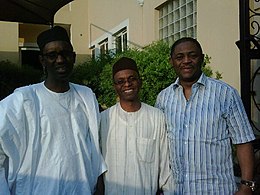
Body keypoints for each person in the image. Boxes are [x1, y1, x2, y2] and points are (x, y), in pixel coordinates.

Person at [0, 26, 106, 195]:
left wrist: (99, 186)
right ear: (42, 60)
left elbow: (94, 146)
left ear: (73, 57)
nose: (60, 60)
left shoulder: (85, 96)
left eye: (65, 53)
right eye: (52, 55)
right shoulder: (24, 99)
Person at [155, 37, 256, 194]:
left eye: (192, 55)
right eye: (180, 57)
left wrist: (246, 185)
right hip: (176, 191)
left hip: (217, 190)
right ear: (171, 62)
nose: (186, 61)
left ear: (201, 58)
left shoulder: (225, 94)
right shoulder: (163, 98)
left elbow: (243, 141)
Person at [99, 57, 172, 194]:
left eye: (131, 79)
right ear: (115, 86)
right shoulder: (104, 120)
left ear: (140, 81)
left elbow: (165, 169)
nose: (127, 84)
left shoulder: (157, 117)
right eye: (120, 81)